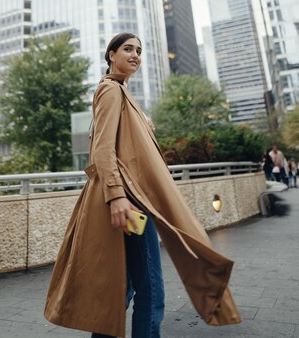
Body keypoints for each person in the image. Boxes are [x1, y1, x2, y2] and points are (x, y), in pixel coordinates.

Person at [44, 33, 241, 337]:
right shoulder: (111, 91)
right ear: (111, 55)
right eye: (127, 49)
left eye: (138, 50)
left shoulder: (121, 94)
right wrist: (117, 197)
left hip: (129, 201)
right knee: (150, 288)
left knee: (125, 287)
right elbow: (103, 150)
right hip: (132, 205)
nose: (135, 55)